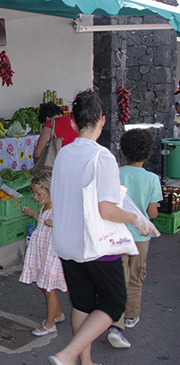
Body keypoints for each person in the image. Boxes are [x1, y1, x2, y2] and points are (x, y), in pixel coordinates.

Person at [48, 90, 155, 365]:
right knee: (113, 303)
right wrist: (137, 219)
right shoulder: (102, 157)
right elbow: (106, 209)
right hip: (96, 244)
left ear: (72, 122)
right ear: (102, 121)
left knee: (83, 304)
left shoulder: (64, 153)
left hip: (66, 242)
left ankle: (85, 361)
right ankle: (68, 354)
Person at [105, 128, 163, 348]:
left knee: (118, 276)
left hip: (116, 235)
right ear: (148, 153)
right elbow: (153, 213)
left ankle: (115, 322)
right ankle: (131, 315)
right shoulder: (151, 179)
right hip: (141, 236)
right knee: (136, 276)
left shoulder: (116, 174)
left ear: (124, 152)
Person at [19, 171, 67, 337]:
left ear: (51, 191)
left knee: (48, 288)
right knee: (44, 285)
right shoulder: (45, 206)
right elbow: (42, 219)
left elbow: (69, 227)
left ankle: (49, 324)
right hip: (42, 251)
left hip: (51, 254)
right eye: (34, 193)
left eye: (39, 193)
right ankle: (58, 314)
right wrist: (33, 213)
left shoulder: (59, 210)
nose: (36, 197)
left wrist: (56, 224)